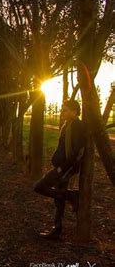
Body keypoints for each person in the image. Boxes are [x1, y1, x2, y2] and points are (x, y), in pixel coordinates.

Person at [33, 99, 86, 240]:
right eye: (63, 109)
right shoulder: (67, 125)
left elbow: (76, 151)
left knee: (39, 186)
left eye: (66, 110)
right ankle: (57, 229)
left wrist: (63, 168)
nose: (63, 112)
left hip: (65, 168)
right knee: (58, 199)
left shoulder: (78, 126)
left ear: (75, 111)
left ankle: (71, 196)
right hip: (60, 166)